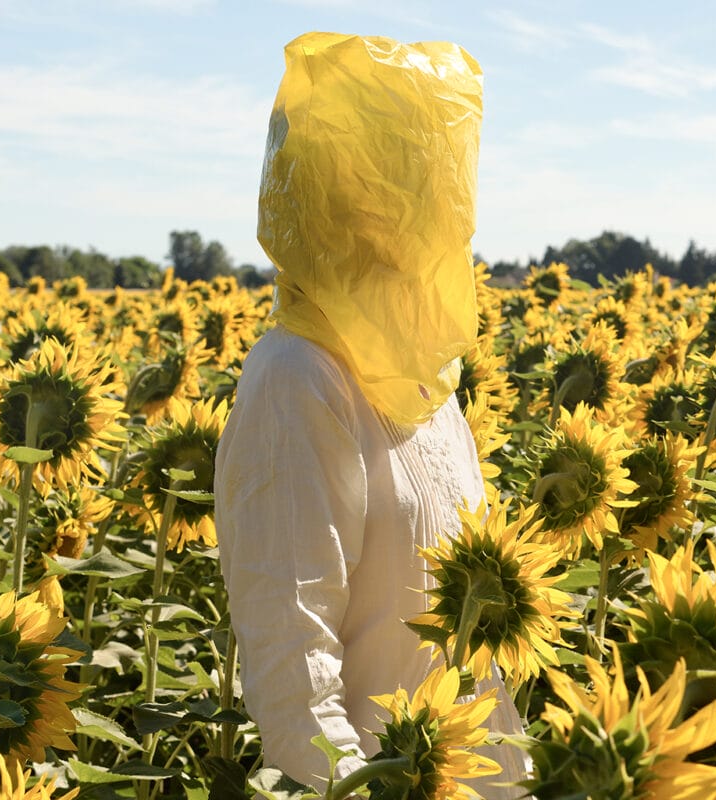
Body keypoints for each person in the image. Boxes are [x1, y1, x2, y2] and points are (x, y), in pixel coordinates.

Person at [212, 32, 527, 798]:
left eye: (435, 183)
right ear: (335, 199)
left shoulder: (428, 380)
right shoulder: (296, 379)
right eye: (399, 185)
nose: (432, 218)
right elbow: (294, 668)